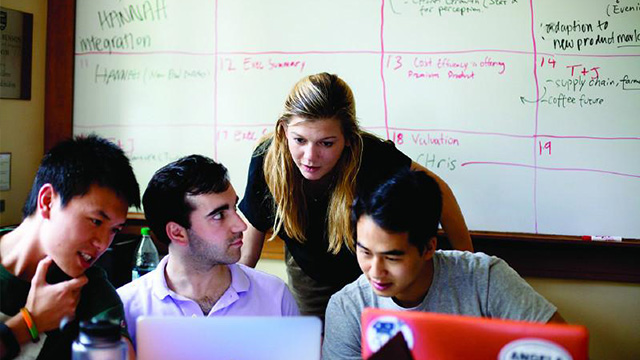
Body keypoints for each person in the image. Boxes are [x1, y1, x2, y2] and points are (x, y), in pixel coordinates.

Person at [239, 72, 473, 319]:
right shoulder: (267, 160)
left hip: (371, 271)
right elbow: (249, 248)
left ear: (350, 139)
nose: (310, 156)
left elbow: (439, 191)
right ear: (284, 130)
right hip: (310, 275)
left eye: (326, 143)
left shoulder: (372, 156)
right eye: (299, 140)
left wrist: (468, 267)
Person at [321, 169, 565, 360]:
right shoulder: (348, 307)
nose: (375, 271)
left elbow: (561, 348)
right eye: (364, 252)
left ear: (428, 248)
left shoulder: (485, 279)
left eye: (392, 257)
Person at [117, 155, 298, 348]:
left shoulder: (275, 296)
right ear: (177, 233)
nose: (240, 225)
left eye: (234, 208)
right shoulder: (126, 307)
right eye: (219, 215)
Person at [0, 135, 140, 360]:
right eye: (96, 221)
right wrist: (30, 323)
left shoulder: (91, 289)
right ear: (47, 201)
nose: (103, 244)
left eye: (115, 230)